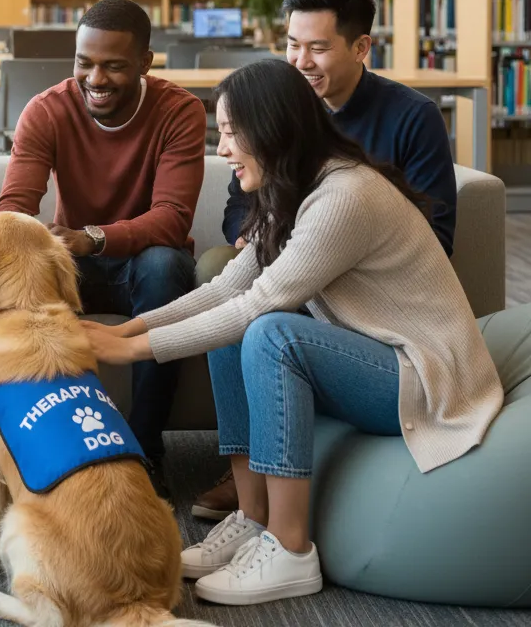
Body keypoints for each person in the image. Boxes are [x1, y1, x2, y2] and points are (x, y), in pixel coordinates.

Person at [82, 59, 501, 608]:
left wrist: (132, 348)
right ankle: (253, 516)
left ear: (274, 128)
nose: (222, 149)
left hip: (425, 376)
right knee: (237, 327)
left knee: (271, 332)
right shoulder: (293, 190)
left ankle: (290, 547)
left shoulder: (343, 196)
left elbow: (260, 304)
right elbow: (225, 290)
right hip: (378, 361)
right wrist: (126, 331)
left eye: (232, 133)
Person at [192, 0, 457, 521]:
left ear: (361, 47)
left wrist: (314, 248)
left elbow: (436, 235)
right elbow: (239, 208)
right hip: (286, 272)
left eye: (317, 47)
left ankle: (279, 518)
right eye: (291, 45)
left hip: (371, 298)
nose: (301, 61)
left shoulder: (410, 117)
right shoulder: (282, 108)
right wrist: (263, 238)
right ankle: (252, 499)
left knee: (258, 316)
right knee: (227, 288)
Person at [0, 0, 206, 497]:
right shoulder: (47, 110)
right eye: (84, 63)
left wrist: (95, 238)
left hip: (141, 264)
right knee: (24, 267)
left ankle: (145, 450)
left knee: (164, 265)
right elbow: (14, 207)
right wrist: (26, 239)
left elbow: (172, 219)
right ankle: (48, 449)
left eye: (113, 66)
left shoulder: (179, 110)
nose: (95, 78)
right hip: (72, 268)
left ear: (144, 63)